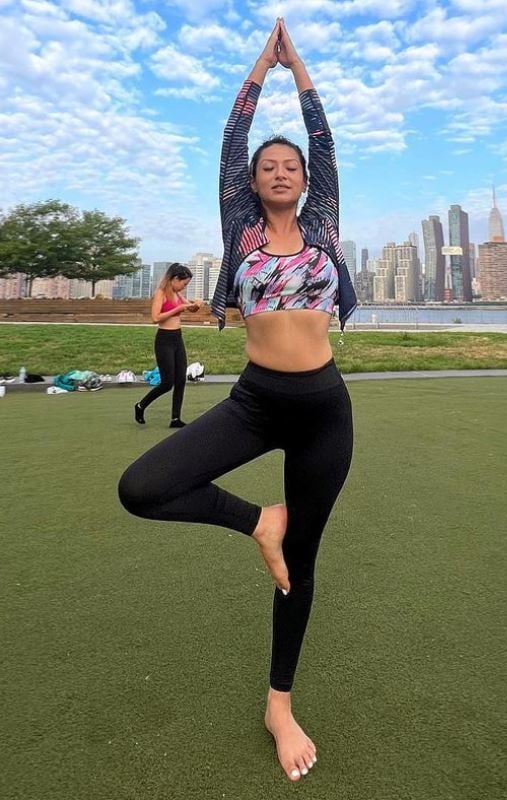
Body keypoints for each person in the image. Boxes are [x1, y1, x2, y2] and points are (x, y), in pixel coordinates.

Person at [119, 18, 357, 782]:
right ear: (253, 184)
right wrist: (264, 63)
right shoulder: (241, 228)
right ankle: (261, 522)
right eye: (269, 167)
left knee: (303, 567)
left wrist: (303, 72)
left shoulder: (322, 224)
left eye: (291, 165)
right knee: (144, 487)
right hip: (256, 402)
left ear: (305, 179)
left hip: (323, 409)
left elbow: (324, 138)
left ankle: (279, 702)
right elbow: (232, 137)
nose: (282, 171)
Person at [134, 263, 201, 428]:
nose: (184, 287)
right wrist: (179, 307)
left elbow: (189, 309)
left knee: (180, 380)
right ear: (174, 279)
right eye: (184, 283)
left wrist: (195, 306)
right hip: (164, 340)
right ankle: (140, 406)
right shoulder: (161, 293)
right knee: (167, 383)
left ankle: (175, 419)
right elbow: (155, 317)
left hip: (177, 339)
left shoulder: (178, 294)